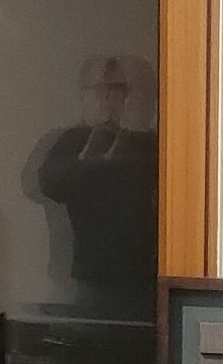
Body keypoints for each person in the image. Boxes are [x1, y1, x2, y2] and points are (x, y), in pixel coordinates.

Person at [33, 54, 158, 315]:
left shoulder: (157, 146)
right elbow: (47, 185)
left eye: (121, 91)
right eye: (102, 90)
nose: (112, 100)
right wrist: (90, 151)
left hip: (149, 279)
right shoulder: (71, 141)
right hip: (84, 280)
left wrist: (130, 137)